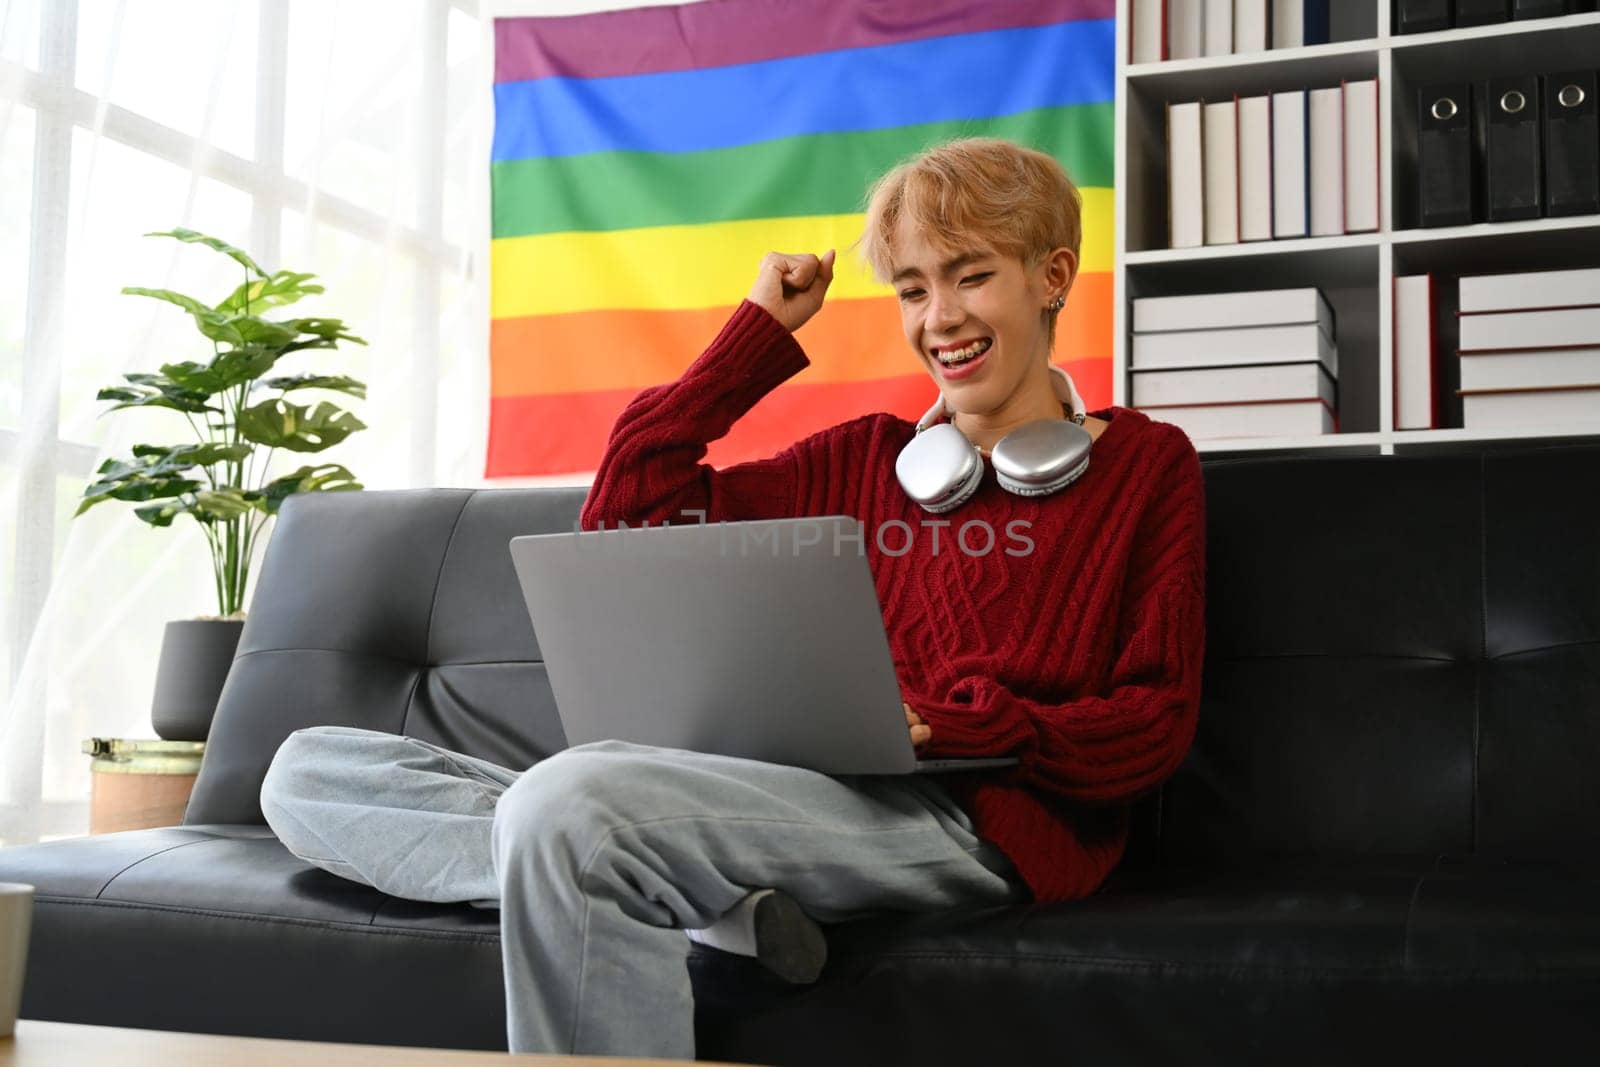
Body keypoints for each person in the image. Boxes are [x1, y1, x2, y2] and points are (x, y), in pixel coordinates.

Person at [258, 137, 1206, 1059]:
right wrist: (754, 335)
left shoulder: (1147, 467)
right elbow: (626, 511)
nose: (938, 317)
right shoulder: (855, 458)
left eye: (969, 275)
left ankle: (656, 872)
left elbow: (1153, 721)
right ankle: (721, 906)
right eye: (913, 288)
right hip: (786, 790)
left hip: (972, 818)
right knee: (305, 771)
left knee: (573, 806)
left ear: (1052, 275)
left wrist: (964, 726)